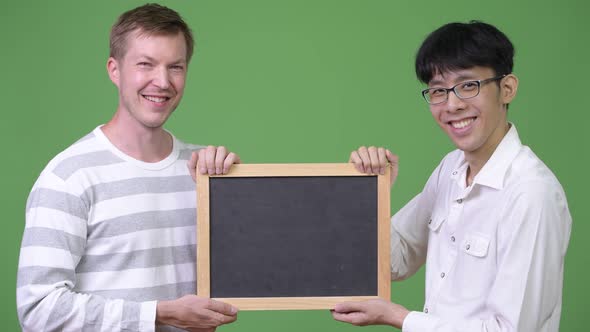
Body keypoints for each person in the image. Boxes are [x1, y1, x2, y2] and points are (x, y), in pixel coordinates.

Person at [332, 21, 572, 331]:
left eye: (468, 85)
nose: (453, 104)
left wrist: (399, 318)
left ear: (507, 88)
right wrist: (372, 194)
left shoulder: (530, 193)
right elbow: (397, 259)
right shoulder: (451, 169)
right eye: (438, 90)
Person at [17, 4, 241, 331]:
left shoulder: (202, 172)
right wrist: (157, 314)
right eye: (145, 64)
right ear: (114, 70)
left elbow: (248, 279)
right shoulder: (69, 176)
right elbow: (39, 311)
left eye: (175, 66)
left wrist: (236, 197)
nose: (162, 81)